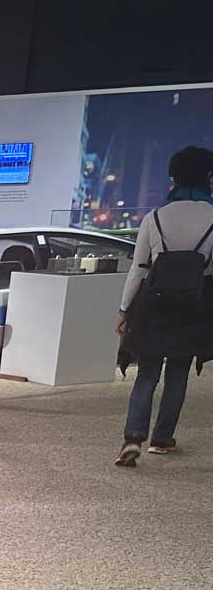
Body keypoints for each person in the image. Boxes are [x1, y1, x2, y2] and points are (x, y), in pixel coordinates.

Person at [114, 145, 213, 467]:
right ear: (208, 176)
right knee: (178, 372)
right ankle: (162, 438)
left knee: (147, 373)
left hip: (154, 304)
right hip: (194, 305)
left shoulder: (155, 217)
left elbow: (138, 269)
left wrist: (124, 310)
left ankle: (132, 438)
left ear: (174, 177)